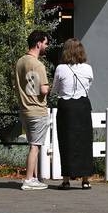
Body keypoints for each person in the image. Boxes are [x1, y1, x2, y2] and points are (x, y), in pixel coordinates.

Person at [52, 38, 95, 189]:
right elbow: (89, 86)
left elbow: (55, 89)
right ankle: (85, 180)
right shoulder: (88, 68)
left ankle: (66, 180)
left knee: (66, 142)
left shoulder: (60, 68)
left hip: (66, 106)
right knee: (84, 142)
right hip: (82, 106)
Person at [14, 31, 51, 190]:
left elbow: (28, 86)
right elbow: (42, 90)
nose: (46, 46)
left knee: (33, 144)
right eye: (46, 43)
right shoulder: (38, 65)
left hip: (25, 109)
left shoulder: (20, 62)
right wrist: (50, 87)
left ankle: (34, 178)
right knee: (35, 146)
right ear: (39, 43)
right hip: (37, 110)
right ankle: (29, 179)